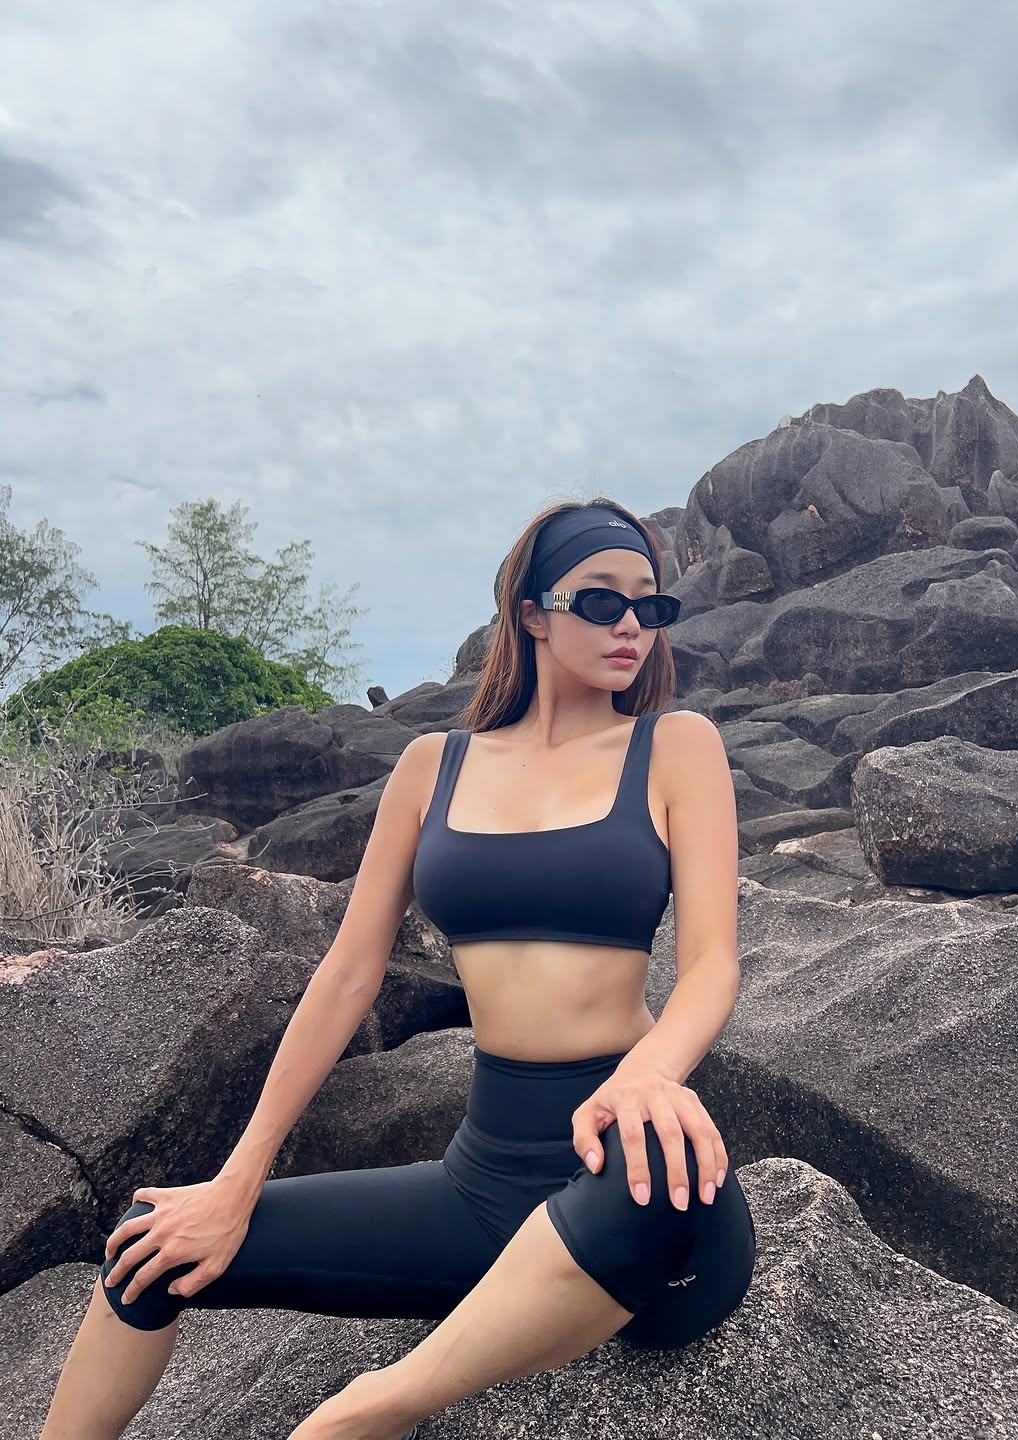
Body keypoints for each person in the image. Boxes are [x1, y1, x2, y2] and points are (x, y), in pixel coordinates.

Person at [40, 498, 755, 1440]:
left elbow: (711, 964)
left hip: (640, 1195)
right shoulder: (432, 767)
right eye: (599, 599)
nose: (631, 624)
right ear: (532, 614)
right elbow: (348, 974)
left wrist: (645, 1079)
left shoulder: (675, 746)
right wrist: (235, 1182)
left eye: (649, 605)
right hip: (481, 1189)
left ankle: (367, 1410)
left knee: (651, 1164)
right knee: (147, 1252)